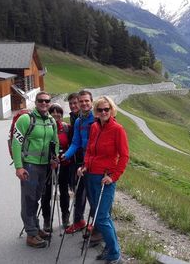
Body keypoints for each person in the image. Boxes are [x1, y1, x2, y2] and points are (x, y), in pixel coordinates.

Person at [78, 96, 129, 264]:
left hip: (105, 179)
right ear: (96, 112)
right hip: (90, 175)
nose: (104, 112)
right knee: (103, 215)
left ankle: (115, 254)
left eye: (107, 109)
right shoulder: (94, 127)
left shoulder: (118, 129)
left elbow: (124, 156)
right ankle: (110, 248)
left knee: (101, 217)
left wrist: (113, 177)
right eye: (100, 110)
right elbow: (89, 151)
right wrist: (85, 165)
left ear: (112, 110)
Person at [12, 91, 59, 248]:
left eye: (47, 101)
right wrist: (19, 166)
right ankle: (31, 234)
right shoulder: (26, 119)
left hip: (45, 166)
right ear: (36, 101)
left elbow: (55, 141)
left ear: (50, 102)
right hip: (29, 165)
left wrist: (54, 159)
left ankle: (35, 227)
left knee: (37, 197)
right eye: (40, 100)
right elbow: (16, 143)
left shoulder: (51, 121)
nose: (44, 103)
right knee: (28, 200)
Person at [62, 90, 94, 234]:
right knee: (80, 191)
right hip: (84, 162)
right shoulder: (79, 121)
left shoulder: (98, 117)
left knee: (94, 194)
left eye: (86, 101)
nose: (83, 104)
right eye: (81, 101)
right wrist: (65, 156)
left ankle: (96, 224)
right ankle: (80, 221)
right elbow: (75, 143)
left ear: (91, 102)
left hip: (96, 163)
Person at [41, 103, 71, 230]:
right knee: (46, 193)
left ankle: (65, 217)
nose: (55, 114)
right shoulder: (44, 127)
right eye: (52, 112)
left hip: (64, 164)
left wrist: (66, 154)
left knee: (64, 192)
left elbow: (71, 144)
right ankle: (47, 220)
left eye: (58, 112)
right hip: (47, 165)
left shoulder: (66, 128)